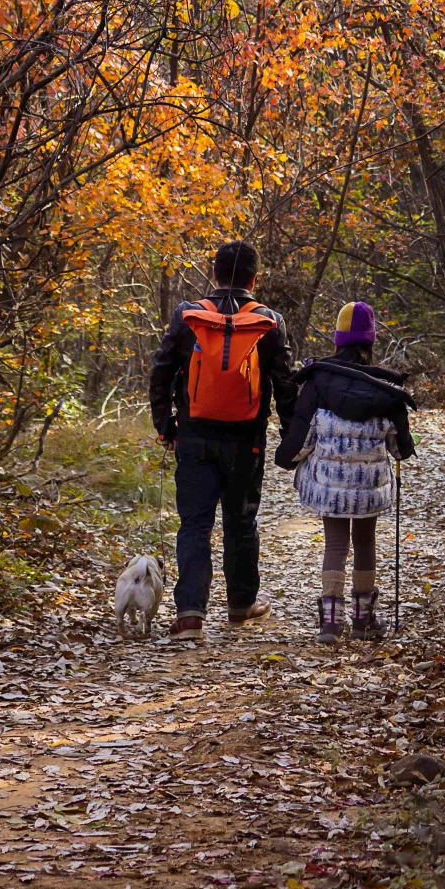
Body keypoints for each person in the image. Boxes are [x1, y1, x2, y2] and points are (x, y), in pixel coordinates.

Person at [150, 239, 295, 639]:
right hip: (246, 440)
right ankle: (240, 604)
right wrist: (291, 437)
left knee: (194, 524)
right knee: (241, 522)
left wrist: (167, 429)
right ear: (255, 278)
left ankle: (191, 614)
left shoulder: (188, 315)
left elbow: (161, 373)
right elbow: (284, 384)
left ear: (214, 273)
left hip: (194, 438)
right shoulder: (268, 320)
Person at [274, 301, 415, 642]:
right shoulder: (387, 390)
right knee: (365, 542)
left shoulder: (319, 383)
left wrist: (287, 458)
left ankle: (331, 622)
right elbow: (401, 450)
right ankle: (364, 619)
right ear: (371, 341)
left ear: (337, 340)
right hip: (369, 487)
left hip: (331, 487)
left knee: (335, 544)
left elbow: (303, 439)